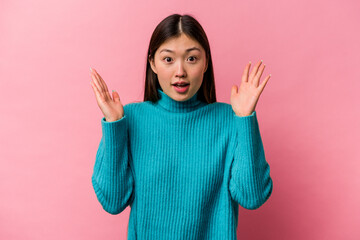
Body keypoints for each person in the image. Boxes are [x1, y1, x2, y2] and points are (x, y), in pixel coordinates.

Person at [90, 13, 273, 240]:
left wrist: (245, 119)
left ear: (206, 62)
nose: (180, 72)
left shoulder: (229, 120)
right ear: (152, 63)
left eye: (191, 59)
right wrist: (114, 125)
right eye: (168, 59)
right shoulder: (130, 118)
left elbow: (252, 197)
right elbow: (113, 201)